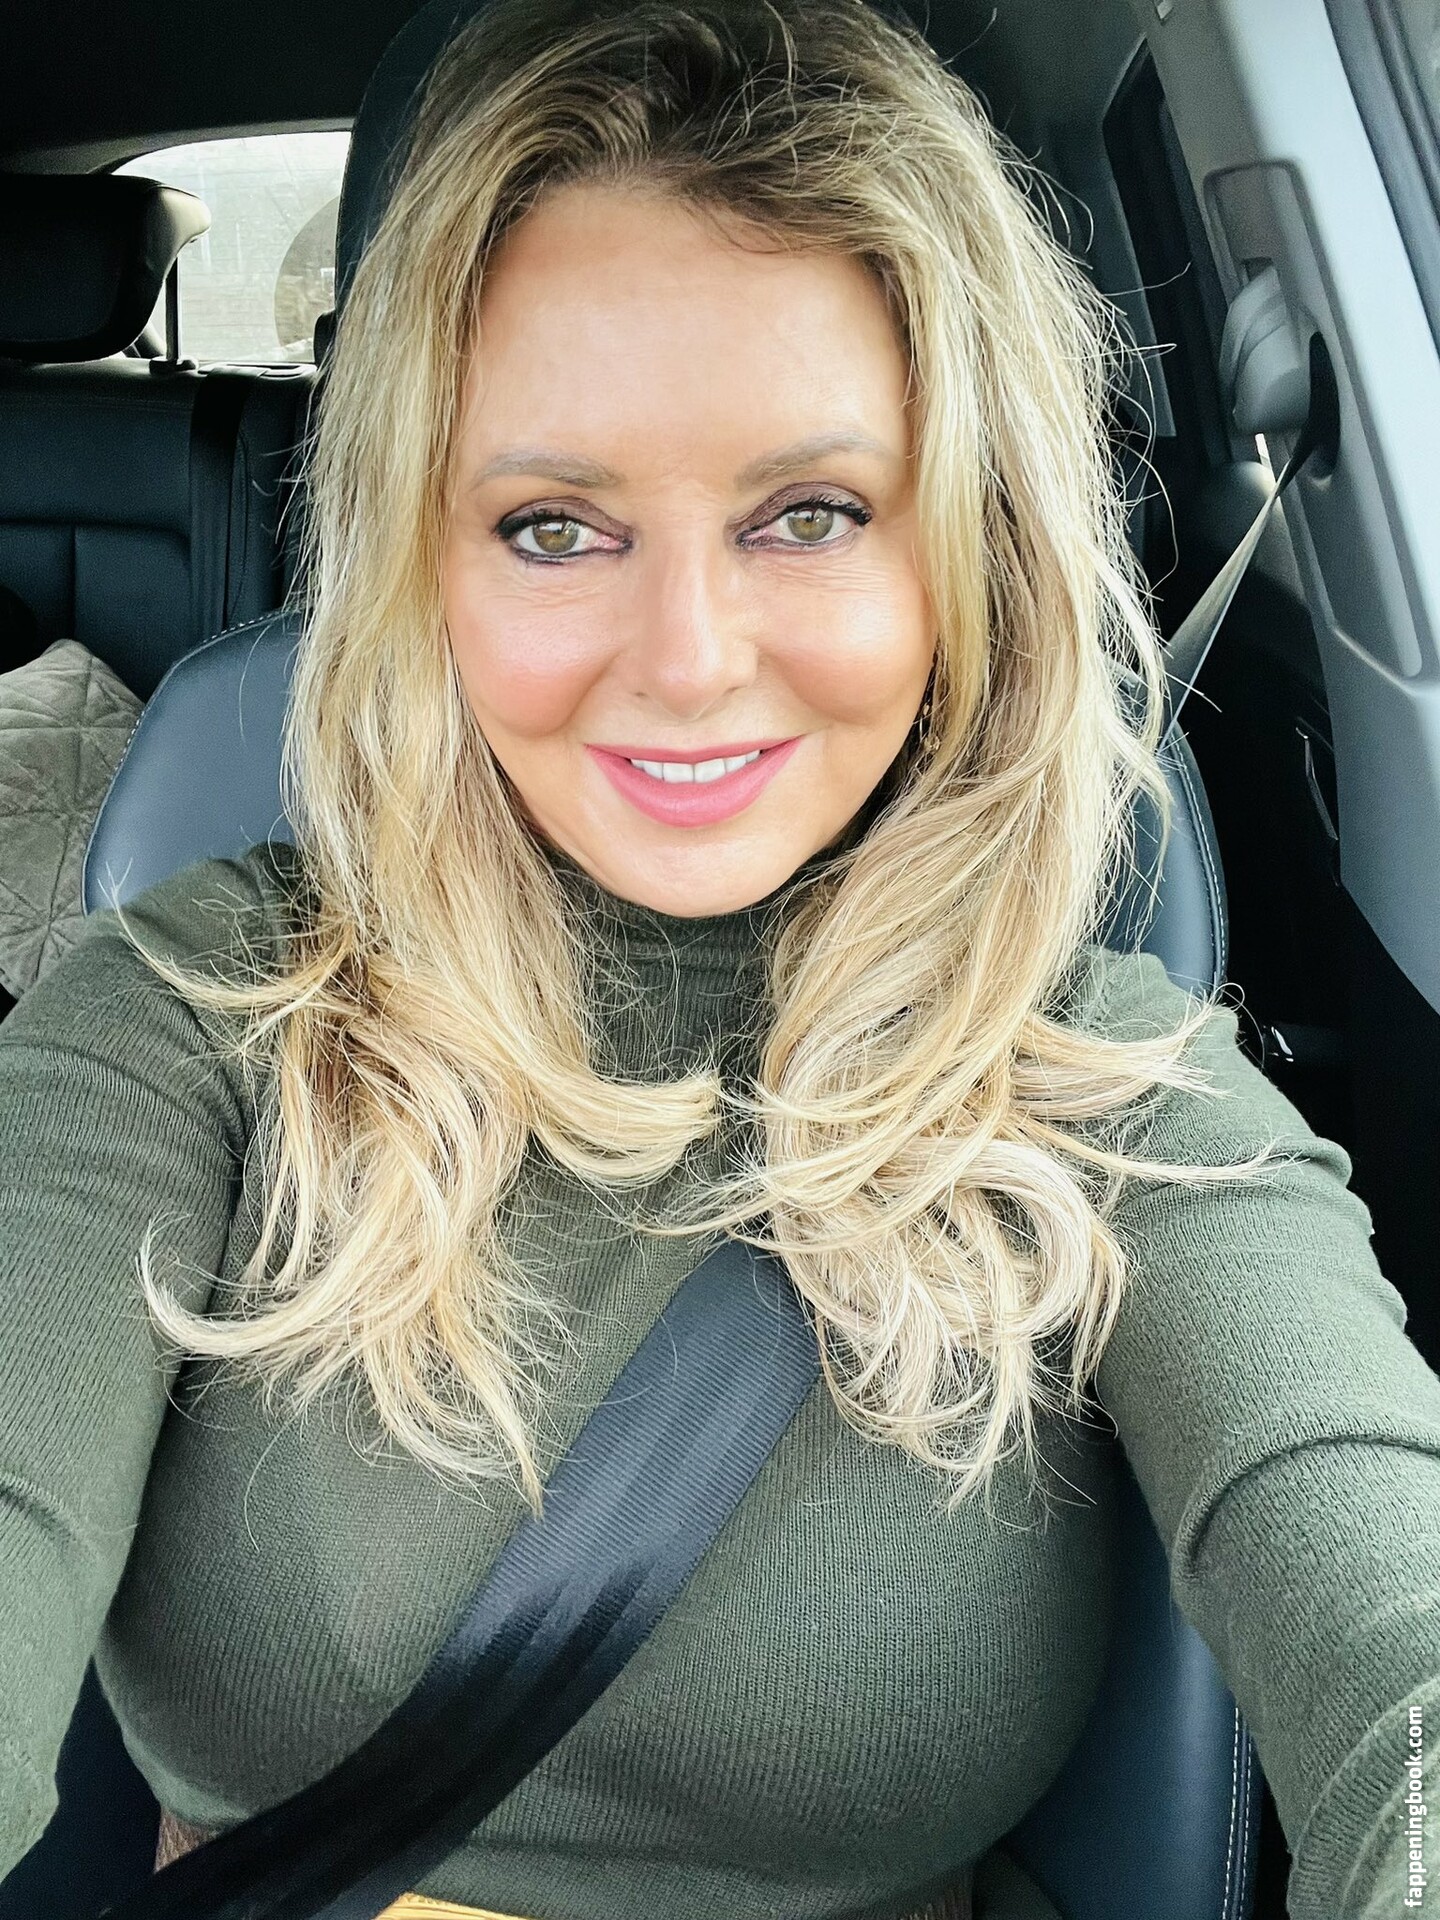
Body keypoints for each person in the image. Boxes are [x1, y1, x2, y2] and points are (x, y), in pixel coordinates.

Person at [2, 0, 1438, 1915]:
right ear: (425, 559)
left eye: (809, 514)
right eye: (553, 526)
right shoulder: (184, 1021)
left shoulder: (1115, 1091)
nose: (686, 660)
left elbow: (1392, 1621)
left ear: (967, 547)